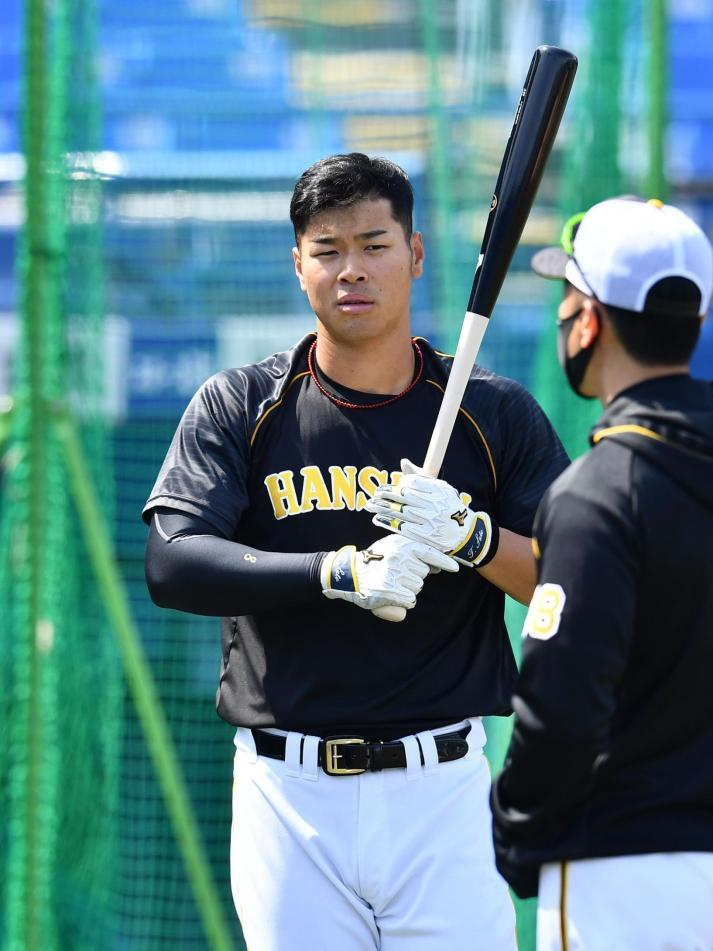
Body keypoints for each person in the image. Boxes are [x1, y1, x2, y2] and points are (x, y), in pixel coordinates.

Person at [142, 152, 569, 950]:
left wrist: (471, 537)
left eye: (374, 245)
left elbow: (569, 579)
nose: (352, 270)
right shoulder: (243, 405)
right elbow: (172, 562)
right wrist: (333, 572)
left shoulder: (491, 411)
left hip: (441, 788)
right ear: (297, 265)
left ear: (414, 254)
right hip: (287, 789)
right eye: (328, 249)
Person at [489, 196, 713, 951]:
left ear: (589, 319)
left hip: (623, 861)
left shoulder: (598, 487)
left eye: (567, 297)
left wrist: (513, 830)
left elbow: (560, 703)